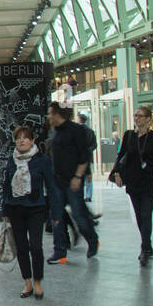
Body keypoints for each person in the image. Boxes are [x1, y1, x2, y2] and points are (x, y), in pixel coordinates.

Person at [0, 125, 59, 300]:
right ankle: (27, 282)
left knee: (36, 247)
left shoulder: (42, 160)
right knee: (22, 247)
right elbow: (6, 186)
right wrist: (5, 210)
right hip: (15, 208)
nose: (21, 141)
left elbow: (52, 187)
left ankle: (38, 281)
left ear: (32, 141)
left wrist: (55, 213)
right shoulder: (12, 160)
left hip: (35, 208)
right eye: (18, 138)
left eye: (25, 138)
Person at [110, 104, 153, 265]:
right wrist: (117, 173)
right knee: (140, 216)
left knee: (146, 215)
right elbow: (121, 155)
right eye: (135, 115)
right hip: (133, 182)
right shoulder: (128, 136)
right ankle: (147, 245)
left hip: (149, 183)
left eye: (140, 116)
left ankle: (145, 248)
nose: (137, 118)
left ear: (148, 119)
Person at [46, 103, 98, 264]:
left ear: (56, 114)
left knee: (79, 214)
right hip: (56, 182)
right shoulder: (54, 132)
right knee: (56, 217)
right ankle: (59, 250)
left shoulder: (76, 130)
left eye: (50, 113)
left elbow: (84, 156)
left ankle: (92, 239)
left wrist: (78, 177)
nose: (48, 117)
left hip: (72, 181)